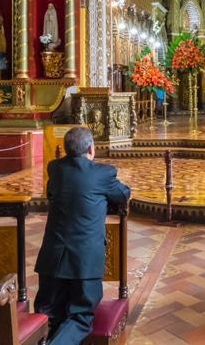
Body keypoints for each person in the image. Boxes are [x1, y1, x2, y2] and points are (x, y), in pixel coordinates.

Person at [34, 126, 130, 344]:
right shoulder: (103, 173)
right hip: (84, 262)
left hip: (52, 260)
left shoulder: (55, 169)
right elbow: (123, 194)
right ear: (91, 149)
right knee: (80, 317)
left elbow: (51, 193)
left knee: (48, 314)